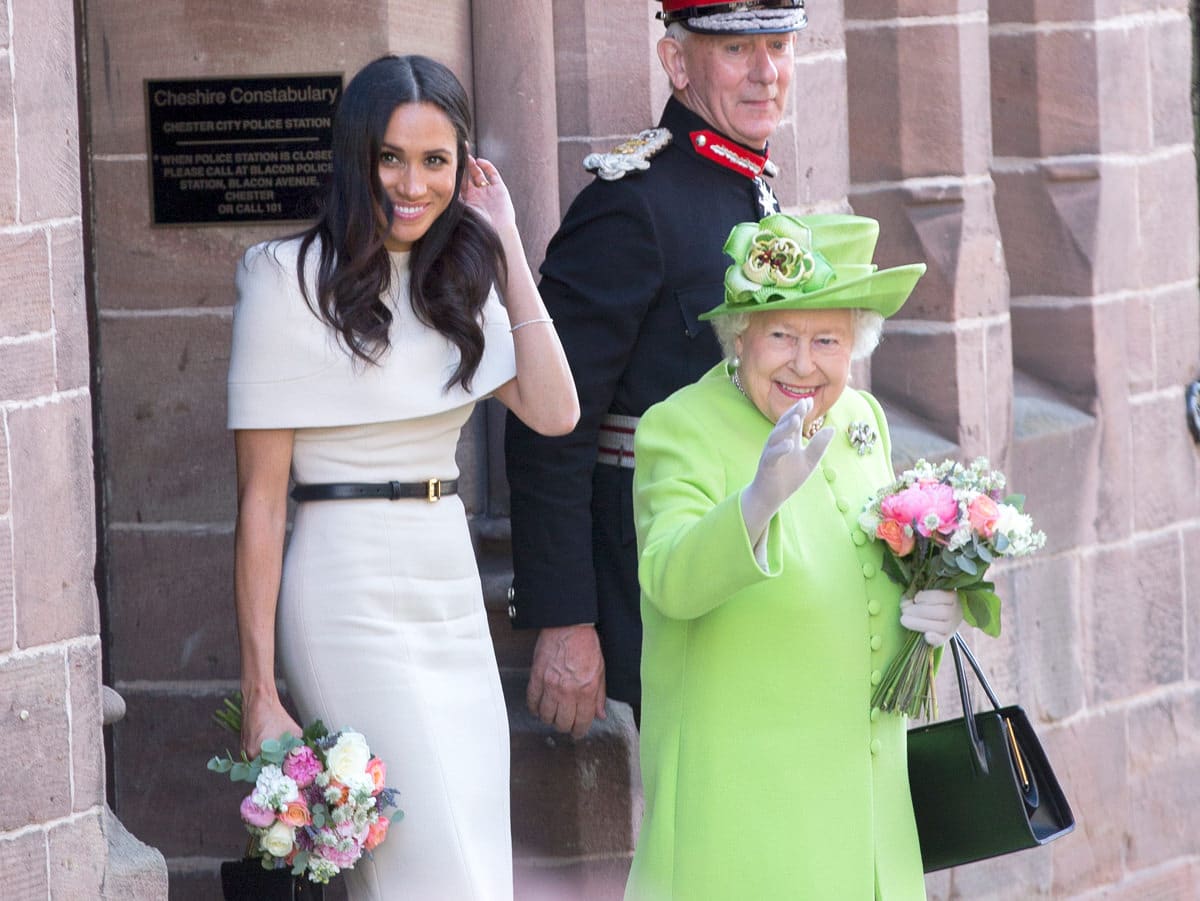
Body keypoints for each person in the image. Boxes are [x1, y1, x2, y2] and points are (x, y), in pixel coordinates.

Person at [227, 54, 578, 901]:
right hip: (344, 583)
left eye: (435, 161)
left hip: (445, 578)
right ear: (356, 158)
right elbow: (261, 502)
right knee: (427, 866)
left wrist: (508, 246)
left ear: (463, 170)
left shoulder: (459, 276)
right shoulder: (282, 278)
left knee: (478, 852)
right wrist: (258, 687)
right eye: (391, 157)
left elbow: (556, 409)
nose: (411, 184)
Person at [625, 212, 964, 899]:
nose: (803, 363)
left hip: (869, 820)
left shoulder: (859, 419)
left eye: (827, 340)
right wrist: (755, 503)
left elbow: (867, 583)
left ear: (854, 346)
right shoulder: (680, 426)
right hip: (747, 827)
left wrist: (930, 612)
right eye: (781, 335)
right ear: (739, 337)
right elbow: (668, 580)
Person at [506, 0, 808, 737]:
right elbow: (551, 421)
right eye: (737, 51)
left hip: (759, 564)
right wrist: (567, 616)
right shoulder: (630, 206)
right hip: (665, 574)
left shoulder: (757, 193)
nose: (766, 73)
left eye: (777, 45)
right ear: (677, 63)